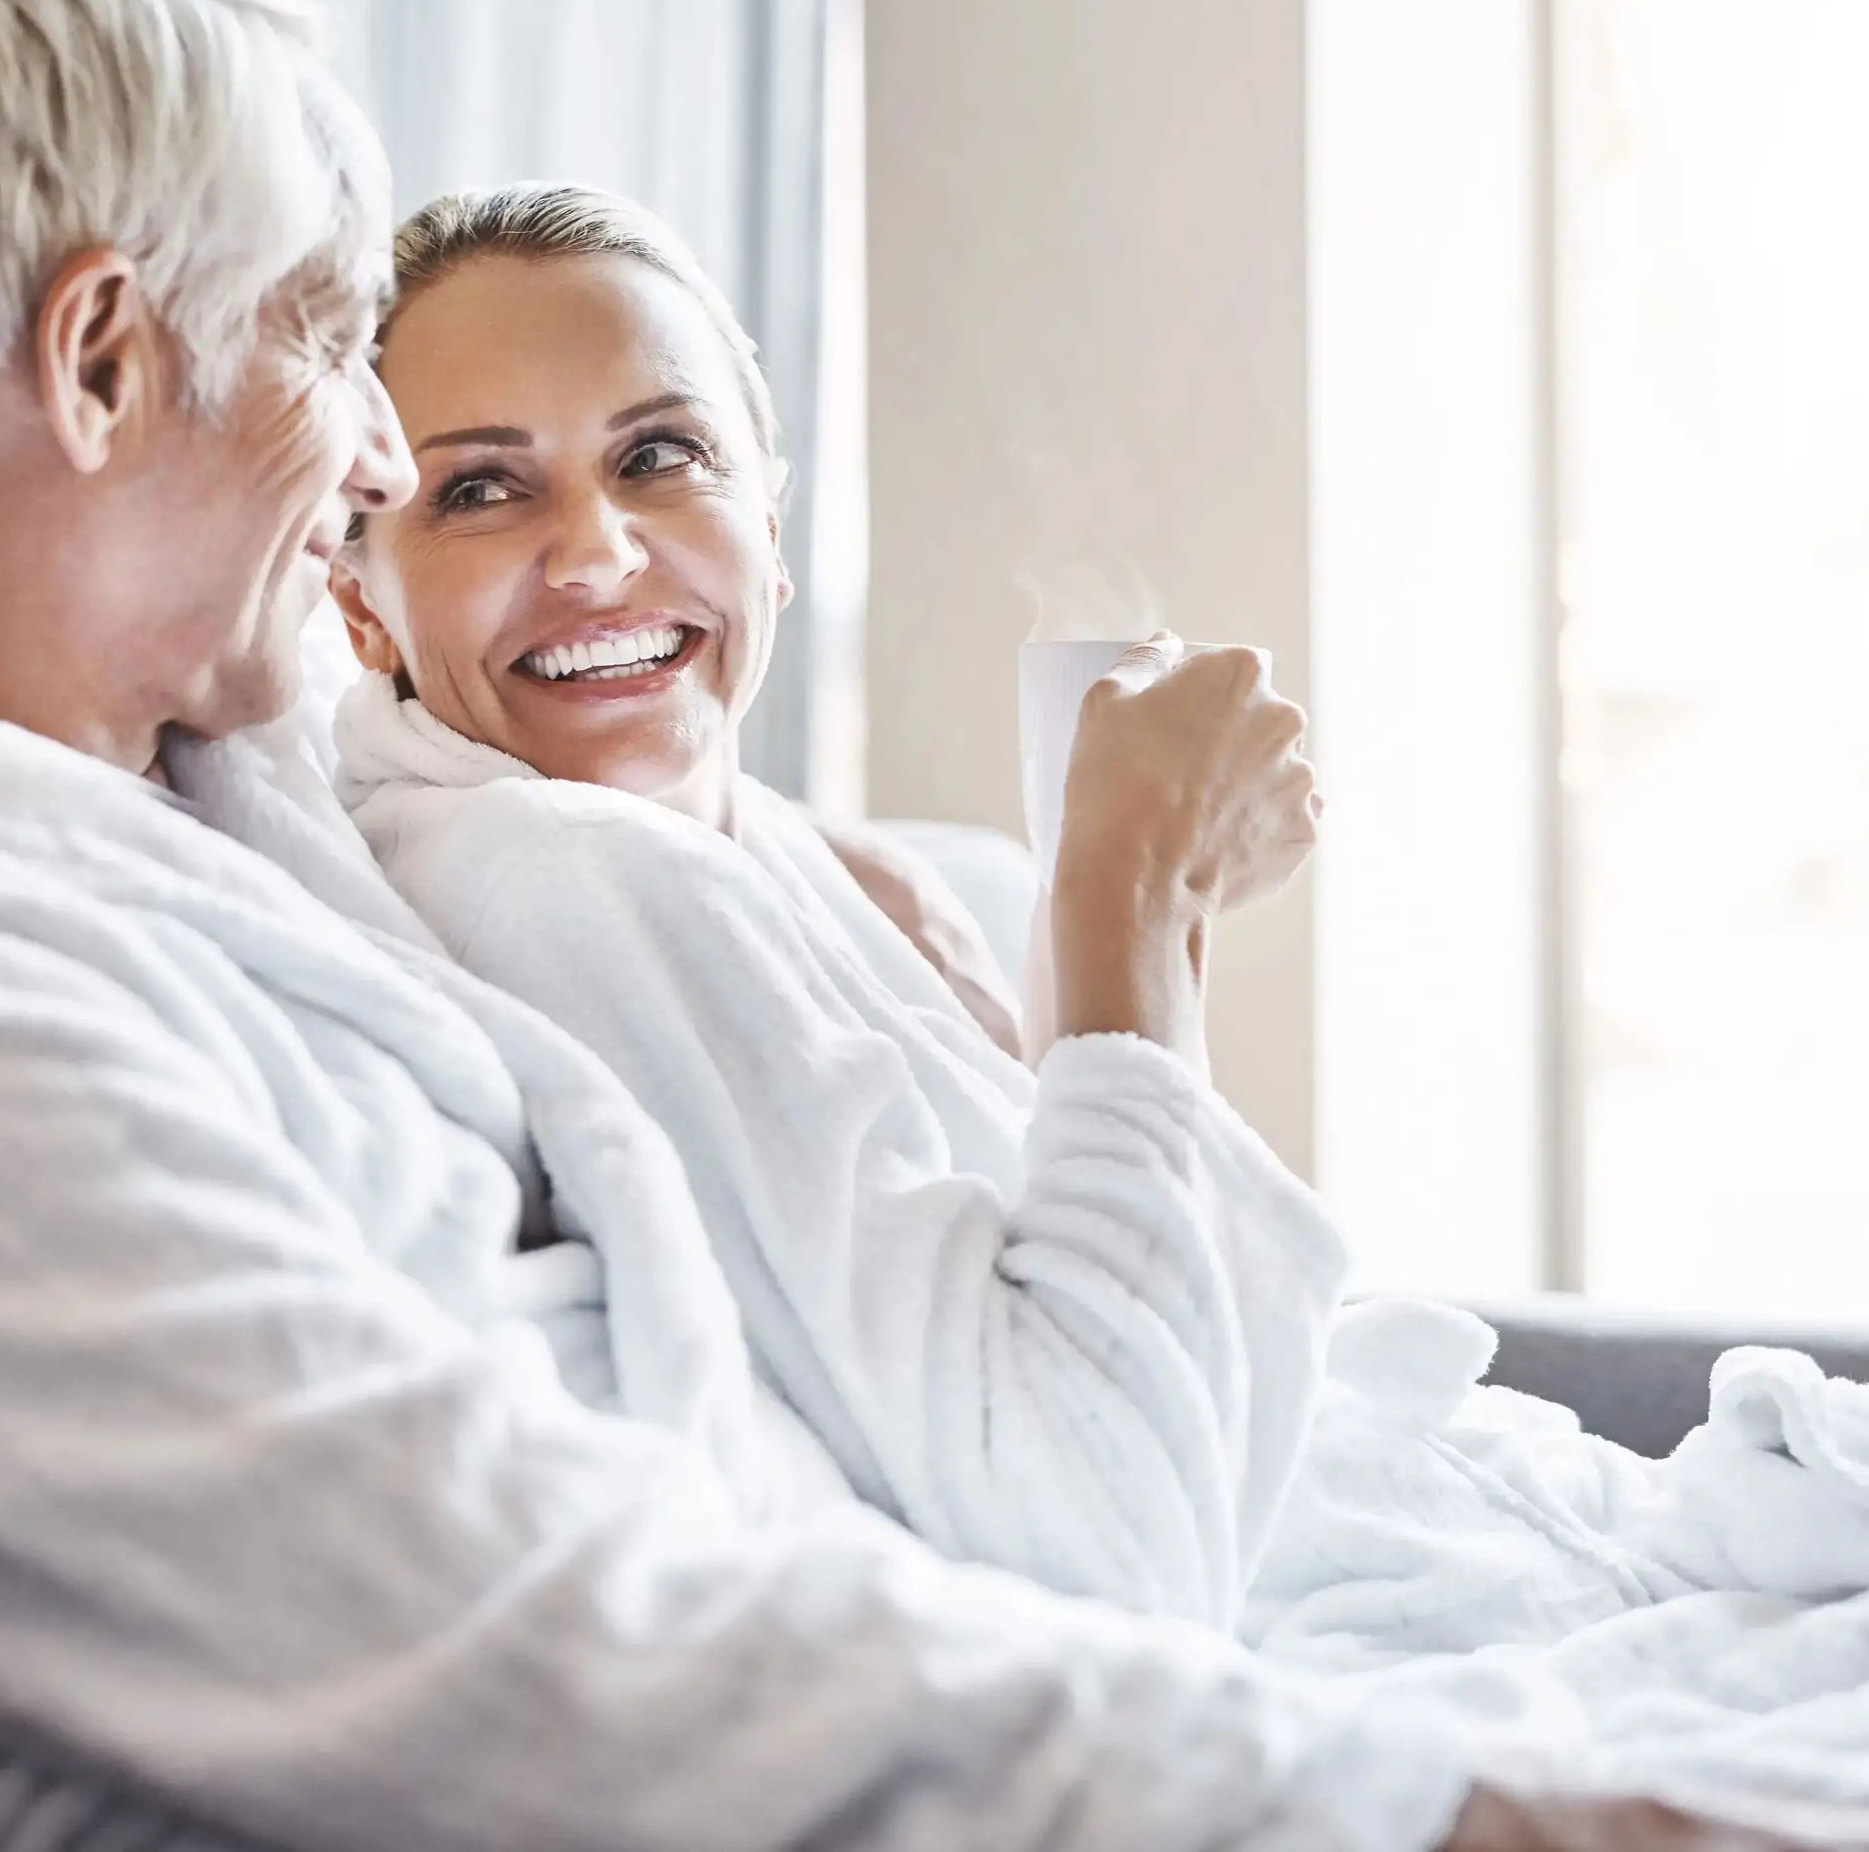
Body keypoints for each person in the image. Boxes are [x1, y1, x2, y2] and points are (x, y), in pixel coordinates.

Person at [0, 0, 1813, 1852]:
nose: (390, 457)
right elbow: (550, 1654)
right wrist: (1448, 1808)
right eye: (328, 337)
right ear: (103, 355)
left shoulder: (183, 803)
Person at [328, 181, 1869, 1820]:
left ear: (770, 519)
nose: (597, 549)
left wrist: (1158, 917)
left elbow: (1090, 1300)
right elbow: (1108, 1532)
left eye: (660, 455)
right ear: (360, 597)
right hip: (1399, 1659)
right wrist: (1119, 891)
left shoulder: (773, 864)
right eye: (482, 489)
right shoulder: (556, 879)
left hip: (1526, 1549)